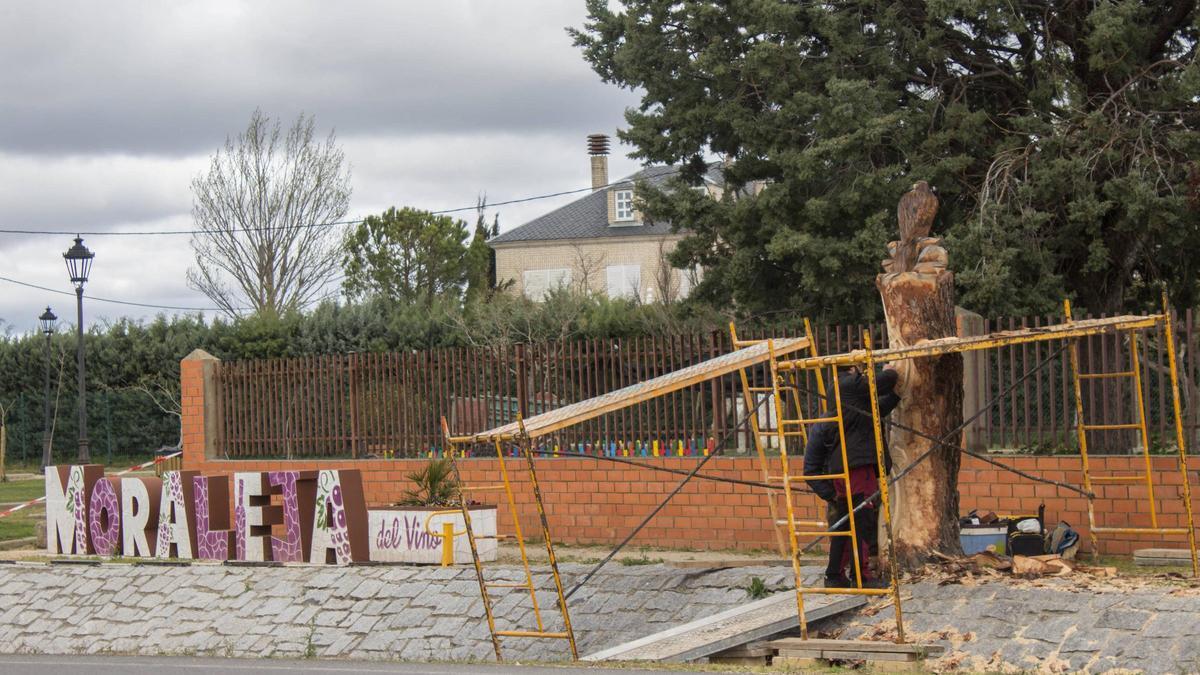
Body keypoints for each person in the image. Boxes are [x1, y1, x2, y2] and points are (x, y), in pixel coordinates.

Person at [802, 364, 900, 588]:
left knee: (845, 525)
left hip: (847, 470)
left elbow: (875, 410)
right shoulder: (845, 383)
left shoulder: (849, 403)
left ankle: (834, 575)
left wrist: (896, 397)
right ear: (852, 367)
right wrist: (892, 371)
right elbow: (882, 381)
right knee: (861, 522)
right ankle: (861, 576)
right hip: (854, 468)